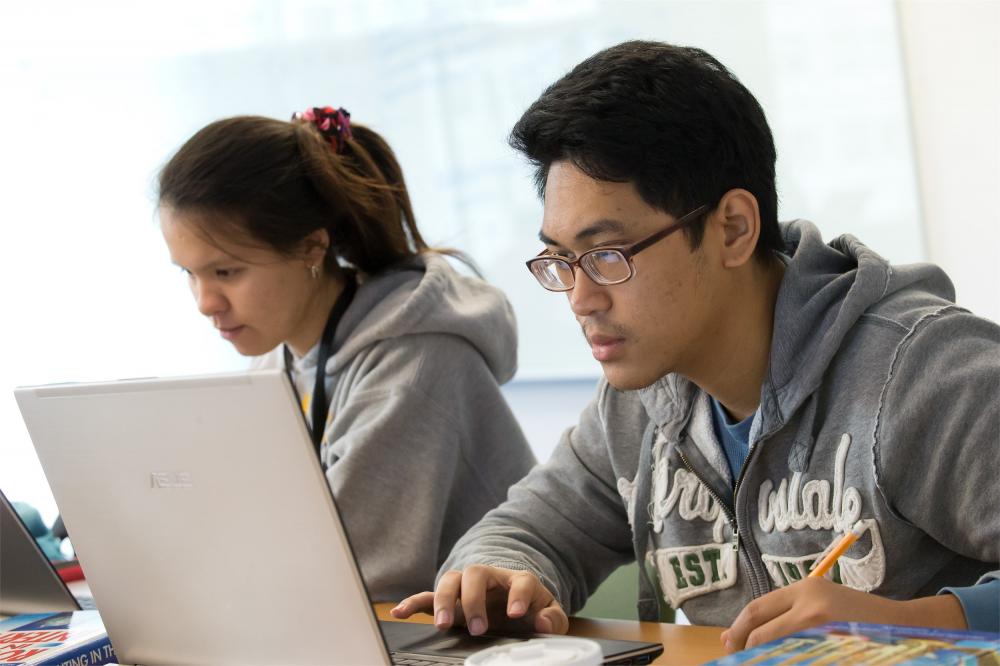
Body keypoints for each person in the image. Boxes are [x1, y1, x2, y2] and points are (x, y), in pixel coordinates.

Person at [392, 41, 1000, 649]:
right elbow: (525, 531)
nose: (580, 299)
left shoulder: (926, 374)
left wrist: (904, 625)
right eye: (560, 260)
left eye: (607, 256)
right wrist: (500, 579)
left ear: (733, 228)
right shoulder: (639, 401)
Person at [156, 106, 536, 601]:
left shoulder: (413, 367)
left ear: (312, 248)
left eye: (226, 272)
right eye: (188, 272)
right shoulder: (281, 357)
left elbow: (342, 576)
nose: (205, 303)